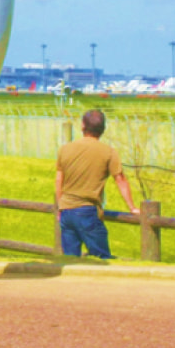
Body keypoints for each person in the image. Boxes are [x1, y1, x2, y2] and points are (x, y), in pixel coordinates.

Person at [54, 109, 138, 260]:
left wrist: (60, 206)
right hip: (87, 210)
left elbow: (59, 180)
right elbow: (120, 180)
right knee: (101, 258)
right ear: (103, 129)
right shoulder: (108, 152)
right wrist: (132, 207)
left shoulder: (65, 149)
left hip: (66, 210)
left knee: (69, 260)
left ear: (82, 126)